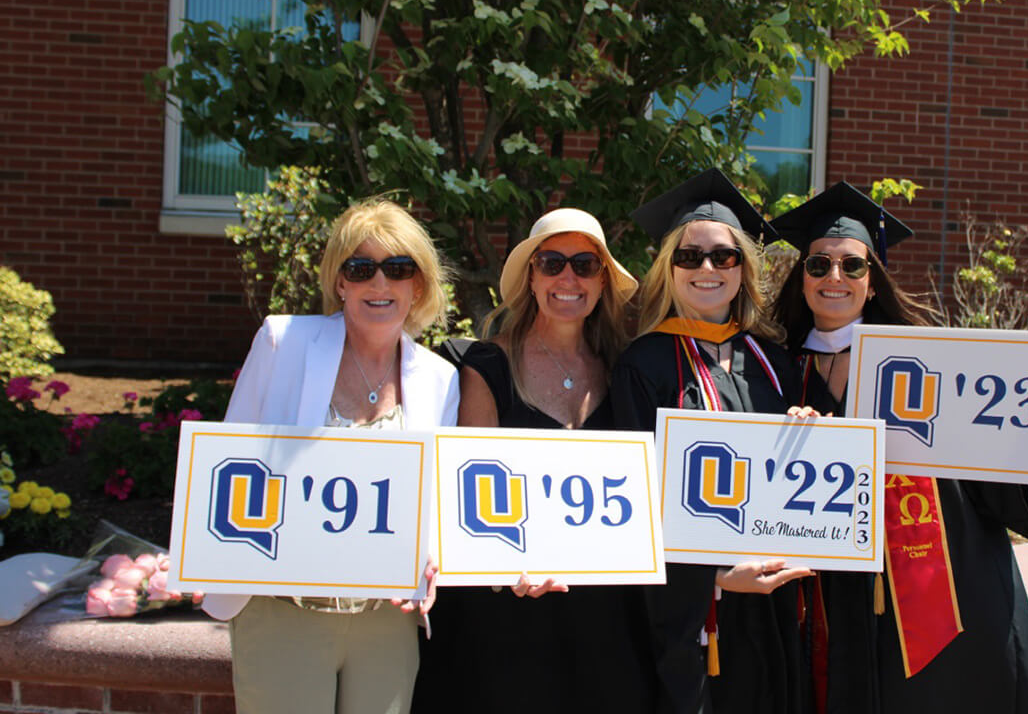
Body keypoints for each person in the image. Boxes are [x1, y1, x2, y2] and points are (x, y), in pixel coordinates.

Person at [769, 182, 1028, 714]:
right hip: (828, 591)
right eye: (818, 264)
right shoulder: (774, 369)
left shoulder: (931, 355)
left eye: (852, 266)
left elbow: (994, 440)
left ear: (872, 283)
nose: (834, 277)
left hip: (936, 569)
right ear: (801, 278)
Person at [207, 199, 460, 714]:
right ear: (340, 281)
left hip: (385, 623)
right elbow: (231, 466)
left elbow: (434, 505)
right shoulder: (283, 343)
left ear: (419, 285)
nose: (379, 284)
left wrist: (434, 558)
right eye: (360, 268)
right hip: (284, 614)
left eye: (398, 269)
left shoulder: (440, 379)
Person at [415, 208, 659, 712]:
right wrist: (509, 565)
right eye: (552, 262)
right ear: (531, 277)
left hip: (603, 617)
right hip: (510, 610)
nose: (567, 277)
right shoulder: (487, 367)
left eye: (585, 265)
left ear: (602, 280)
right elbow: (472, 494)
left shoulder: (625, 369)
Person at [612, 168, 813, 714]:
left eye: (723, 256)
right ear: (668, 270)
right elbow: (634, 501)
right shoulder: (644, 365)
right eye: (689, 257)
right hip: (693, 609)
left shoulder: (773, 362)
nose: (707, 268)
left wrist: (809, 437)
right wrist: (715, 576)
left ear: (743, 268)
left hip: (772, 600)